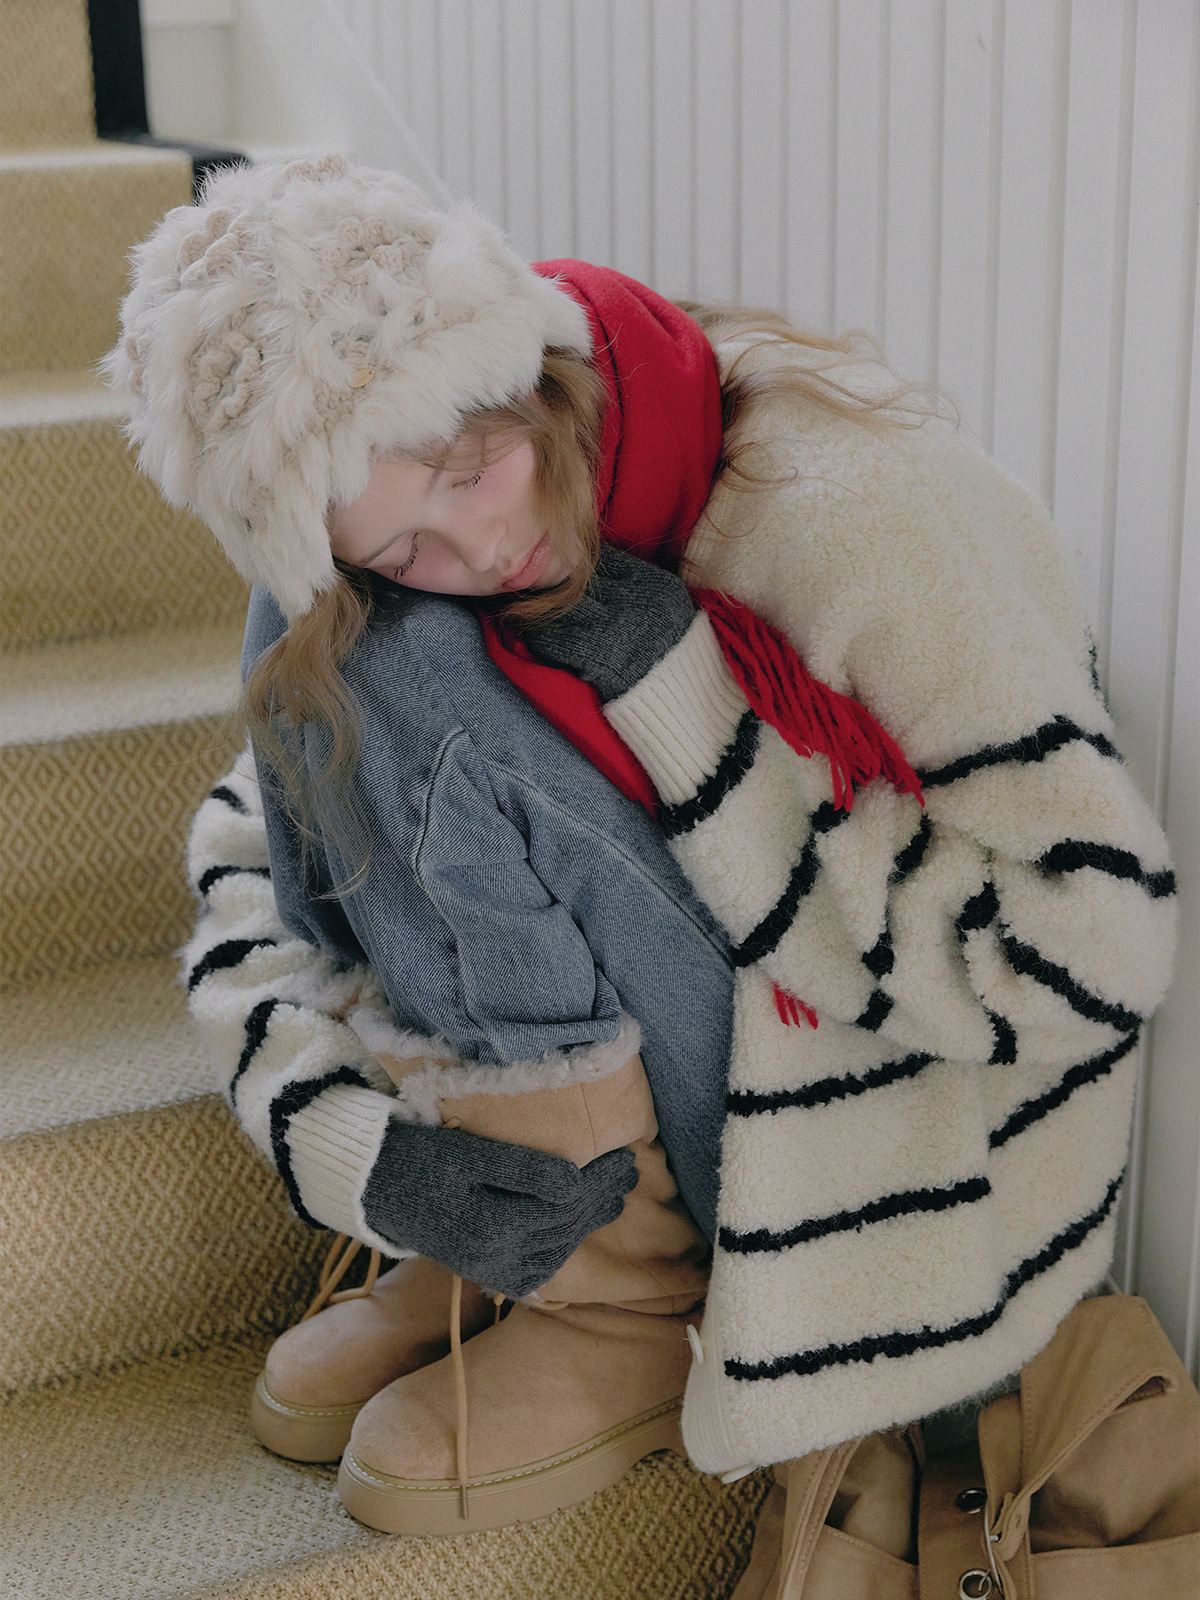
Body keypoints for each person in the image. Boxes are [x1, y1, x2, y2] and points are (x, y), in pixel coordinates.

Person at [106, 156, 1177, 1542]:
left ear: (531, 380)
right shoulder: (410, 563)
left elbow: (1092, 959)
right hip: (713, 1020)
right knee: (317, 634)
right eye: (404, 544)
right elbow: (250, 847)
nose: (475, 547)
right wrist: (361, 1147)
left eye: (472, 473)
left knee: (416, 684)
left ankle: (626, 1291)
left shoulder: (854, 513)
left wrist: (694, 714)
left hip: (884, 1117)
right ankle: (526, 1200)